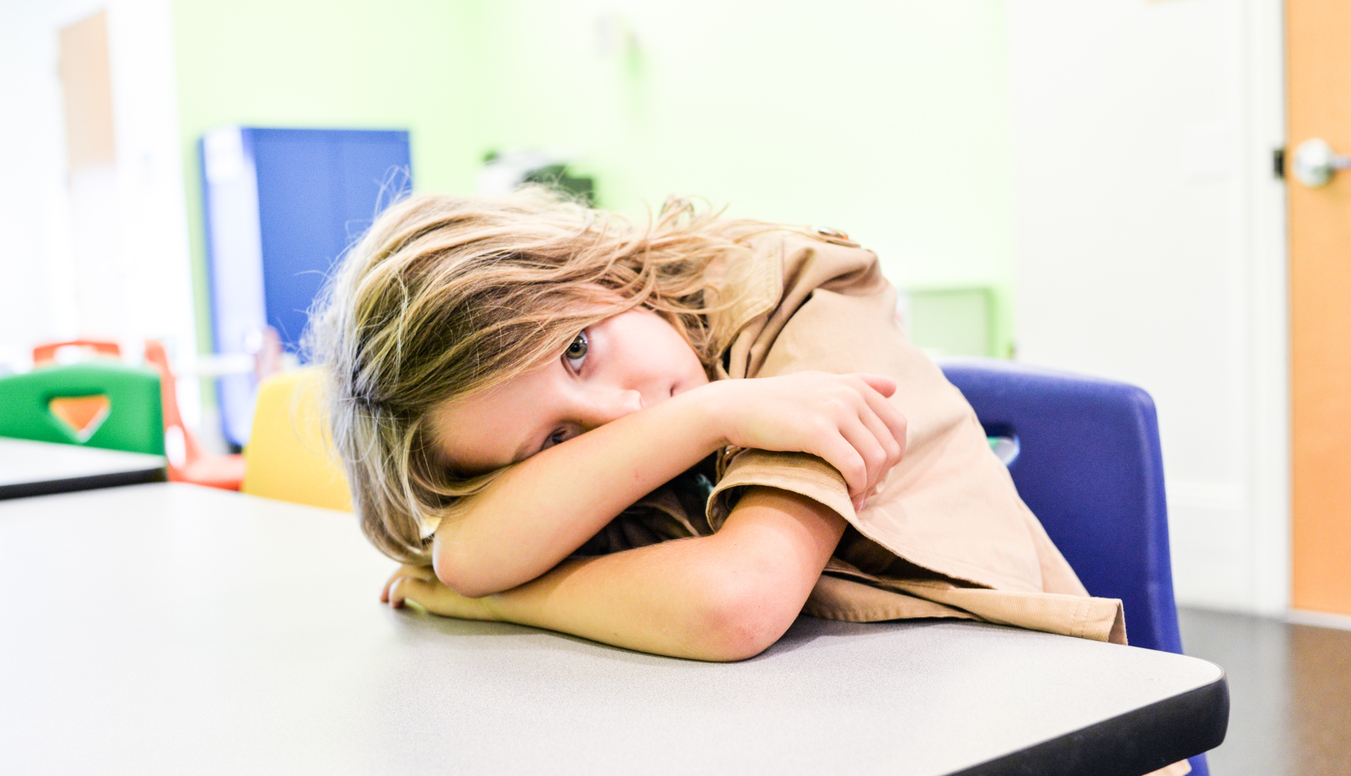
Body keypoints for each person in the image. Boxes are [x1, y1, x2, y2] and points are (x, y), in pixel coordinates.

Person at [307, 187, 1128, 664]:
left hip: (1042, 712)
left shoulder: (795, 296)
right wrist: (703, 417)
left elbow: (735, 604)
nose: (621, 416)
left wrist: (488, 607)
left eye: (577, 350)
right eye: (554, 444)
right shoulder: (675, 414)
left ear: (575, 266)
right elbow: (465, 554)